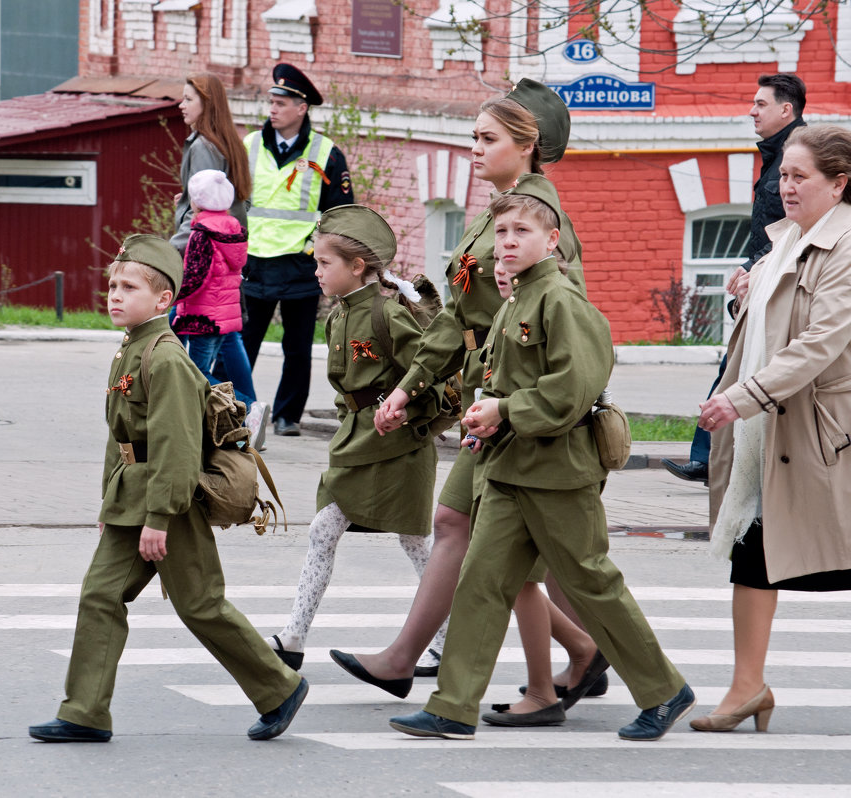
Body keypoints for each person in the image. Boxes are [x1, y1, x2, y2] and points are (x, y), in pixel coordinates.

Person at [334, 81, 607, 719]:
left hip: (523, 405)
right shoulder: (496, 211)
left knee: (539, 553)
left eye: (487, 139)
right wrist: (407, 387)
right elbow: (454, 315)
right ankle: (563, 660)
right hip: (492, 395)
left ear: (528, 144)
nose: (474, 149)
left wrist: (520, 402)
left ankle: (594, 661)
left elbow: (568, 317)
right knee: (483, 534)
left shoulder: (539, 220)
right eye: (474, 136)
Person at [389, 190, 694, 742]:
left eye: (522, 233)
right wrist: (483, 408)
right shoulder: (515, 299)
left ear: (552, 241)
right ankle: (452, 707)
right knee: (481, 583)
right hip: (510, 468)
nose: (508, 242)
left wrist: (505, 409)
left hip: (558, 471)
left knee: (591, 583)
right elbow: (494, 371)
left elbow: (573, 388)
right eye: (502, 233)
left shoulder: (561, 300)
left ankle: (664, 690)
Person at [29, 234, 308, 743]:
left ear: (163, 300)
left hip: (168, 500)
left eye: (129, 287)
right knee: (100, 595)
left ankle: (279, 686)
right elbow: (121, 440)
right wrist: (108, 502)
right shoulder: (130, 349)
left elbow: (177, 449)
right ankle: (84, 713)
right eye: (111, 285)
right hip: (131, 497)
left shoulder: (165, 358)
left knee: (200, 603)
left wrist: (160, 517)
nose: (114, 294)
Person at [692, 124, 851, 732]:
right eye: (782, 174)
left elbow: (819, 345)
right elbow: (775, 324)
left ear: (838, 185)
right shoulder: (788, 240)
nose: (785, 186)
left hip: (841, 432)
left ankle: (748, 688)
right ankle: (747, 687)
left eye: (799, 176)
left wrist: (740, 398)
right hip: (781, 428)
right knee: (753, 549)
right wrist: (742, 300)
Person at [264, 205, 441, 673]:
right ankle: (293, 637)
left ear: (357, 266)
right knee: (326, 530)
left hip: (400, 448)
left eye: (324, 263)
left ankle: (446, 639)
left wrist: (402, 410)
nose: (316, 271)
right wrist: (355, 420)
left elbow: (435, 375)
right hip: (357, 444)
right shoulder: (338, 316)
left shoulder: (387, 314)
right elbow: (346, 391)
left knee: (415, 542)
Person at [664, 73, 807, 484]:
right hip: (764, 276)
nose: (752, 110)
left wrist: (754, 268)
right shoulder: (780, 155)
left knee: (740, 368)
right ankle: (711, 457)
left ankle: (713, 457)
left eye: (760, 104)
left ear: (786, 109)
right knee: (737, 366)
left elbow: (795, 227)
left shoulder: (796, 157)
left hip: (777, 282)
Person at [241, 63, 354, 438]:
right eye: (271, 101)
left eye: (282, 102)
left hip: (301, 265)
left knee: (298, 347)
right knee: (243, 344)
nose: (273, 108)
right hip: (253, 263)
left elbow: (340, 214)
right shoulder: (250, 146)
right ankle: (233, 409)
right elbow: (234, 203)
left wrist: (317, 253)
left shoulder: (326, 153)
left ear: (301, 108)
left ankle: (287, 416)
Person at [171, 73, 267, 443]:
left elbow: (202, 212)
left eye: (188, 99)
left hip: (200, 253)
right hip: (226, 251)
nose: (181, 105)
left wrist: (169, 252)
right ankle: (251, 409)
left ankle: (239, 408)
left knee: (174, 337)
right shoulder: (227, 141)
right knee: (228, 335)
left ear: (206, 105)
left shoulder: (203, 146)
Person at [172, 169, 260, 444]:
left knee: (196, 375)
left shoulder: (202, 233)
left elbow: (195, 276)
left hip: (203, 316)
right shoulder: (233, 228)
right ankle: (218, 421)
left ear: (197, 201)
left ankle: (246, 408)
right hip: (225, 315)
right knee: (203, 372)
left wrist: (172, 294)